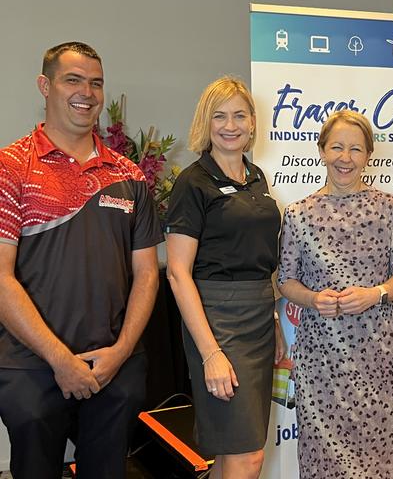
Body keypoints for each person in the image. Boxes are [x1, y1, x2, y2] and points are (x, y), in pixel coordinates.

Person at [0, 42, 162, 479]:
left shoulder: (128, 176)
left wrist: (122, 351)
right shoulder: (11, 166)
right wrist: (59, 359)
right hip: (31, 365)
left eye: (96, 83)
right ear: (44, 85)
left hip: (114, 362)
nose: (86, 92)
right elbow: (1, 279)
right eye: (73, 79)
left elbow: (147, 275)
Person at [278, 110, 393, 478]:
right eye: (337, 147)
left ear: (368, 154)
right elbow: (286, 281)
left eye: (356, 149)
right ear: (321, 151)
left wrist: (377, 294)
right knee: (324, 458)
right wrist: (312, 299)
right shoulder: (298, 214)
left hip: (377, 354)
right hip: (321, 356)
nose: (345, 158)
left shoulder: (390, 208)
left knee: (382, 454)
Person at [165, 77, 283, 479]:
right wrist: (210, 352)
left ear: (252, 123)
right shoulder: (193, 182)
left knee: (239, 454)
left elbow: (262, 261)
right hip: (218, 322)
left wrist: (275, 322)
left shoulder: (257, 178)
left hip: (259, 320)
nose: (230, 125)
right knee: (246, 455)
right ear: (206, 122)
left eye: (239, 115)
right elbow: (178, 274)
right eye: (219, 116)